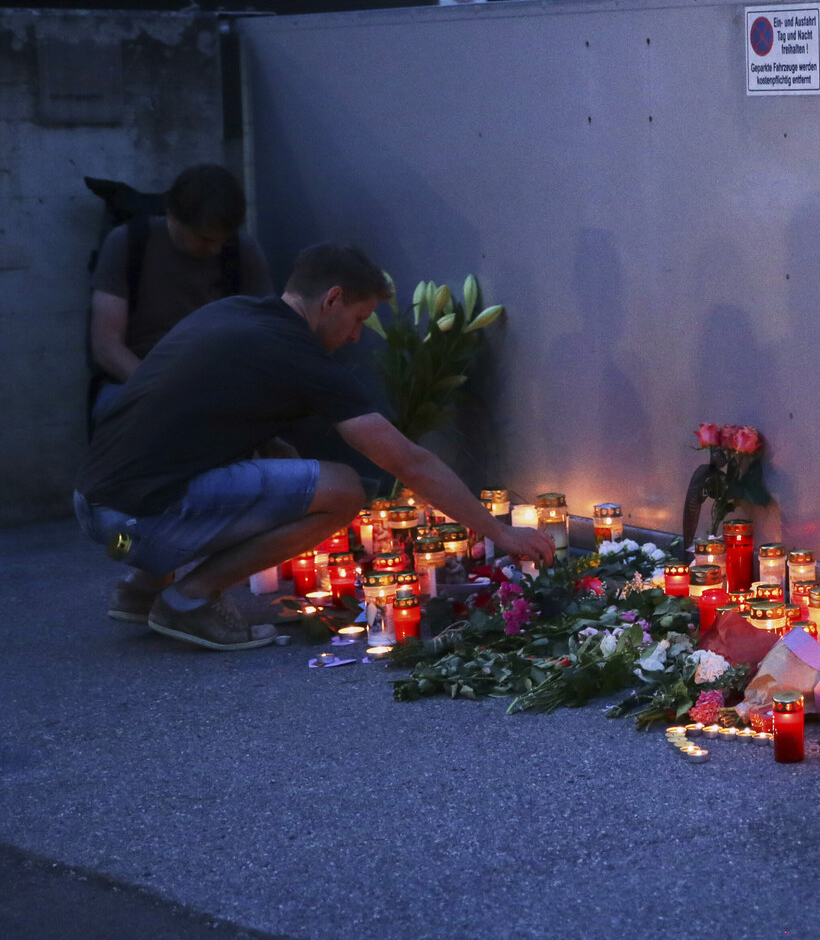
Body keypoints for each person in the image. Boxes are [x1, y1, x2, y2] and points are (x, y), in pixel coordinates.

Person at [74, 242, 552, 651]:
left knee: (281, 461)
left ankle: (142, 589)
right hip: (136, 519)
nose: (355, 336)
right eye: (358, 318)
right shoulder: (299, 355)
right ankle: (189, 599)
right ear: (332, 299)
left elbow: (187, 417)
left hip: (96, 502)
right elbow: (408, 460)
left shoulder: (234, 313)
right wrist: (501, 533)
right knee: (344, 490)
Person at [90, 164, 273, 421]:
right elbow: (106, 346)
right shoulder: (127, 244)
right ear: (172, 215)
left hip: (216, 379)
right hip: (137, 378)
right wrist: (162, 389)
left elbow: (263, 335)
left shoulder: (242, 251)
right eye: (206, 239)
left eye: (224, 239)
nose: (217, 250)